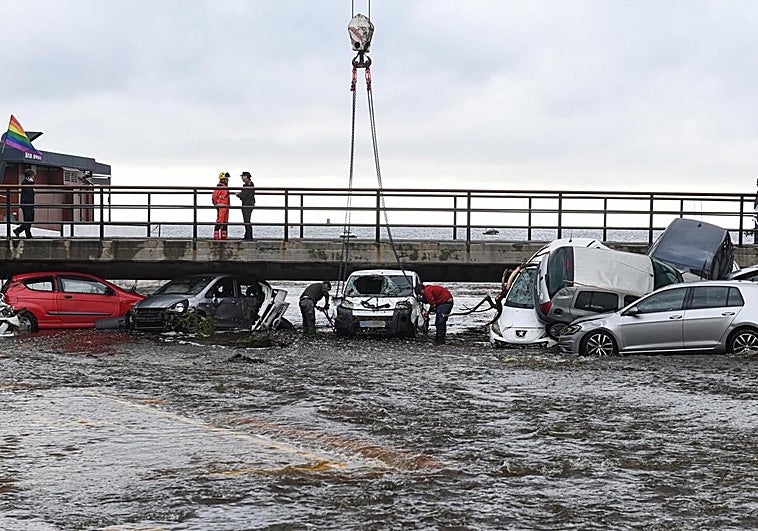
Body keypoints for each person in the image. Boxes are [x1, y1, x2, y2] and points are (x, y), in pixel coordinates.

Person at [13, 168, 35, 238]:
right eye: (32, 176)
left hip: (29, 204)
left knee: (30, 219)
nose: (33, 177)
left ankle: (19, 231)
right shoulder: (26, 183)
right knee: (28, 220)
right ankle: (27, 234)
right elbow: (28, 194)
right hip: (27, 204)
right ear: (29, 176)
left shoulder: (29, 183)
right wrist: (32, 183)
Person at [236, 171, 256, 240]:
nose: (242, 178)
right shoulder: (250, 184)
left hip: (247, 204)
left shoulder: (247, 185)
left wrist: (238, 194)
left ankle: (248, 236)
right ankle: (248, 235)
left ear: (246, 177)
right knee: (247, 220)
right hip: (250, 203)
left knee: (246, 220)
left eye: (243, 176)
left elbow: (244, 195)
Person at [212, 172, 230, 240]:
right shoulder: (220, 187)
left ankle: (223, 237)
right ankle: (216, 236)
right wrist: (217, 204)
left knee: (225, 221)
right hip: (222, 206)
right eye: (226, 179)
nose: (227, 180)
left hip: (225, 206)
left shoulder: (224, 188)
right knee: (220, 221)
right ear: (222, 180)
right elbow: (214, 197)